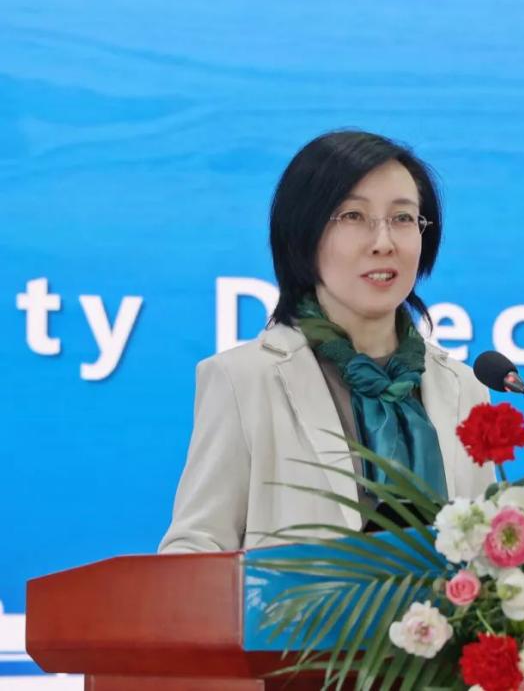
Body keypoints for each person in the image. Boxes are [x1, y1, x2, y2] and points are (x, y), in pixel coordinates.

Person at [159, 131, 495, 553]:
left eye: (403, 218)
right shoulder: (242, 381)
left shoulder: (465, 388)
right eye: (353, 216)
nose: (384, 242)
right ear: (304, 231)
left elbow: (490, 553)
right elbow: (194, 547)